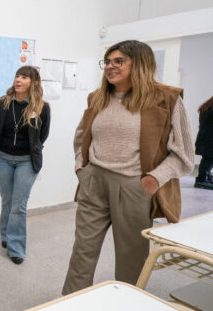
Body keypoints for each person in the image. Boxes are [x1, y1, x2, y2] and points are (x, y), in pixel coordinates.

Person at [62, 40, 195, 294]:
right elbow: (81, 137)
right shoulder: (98, 97)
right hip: (93, 182)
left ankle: (127, 305)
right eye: (107, 62)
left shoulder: (167, 99)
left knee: (131, 256)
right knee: (82, 251)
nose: (110, 67)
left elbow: (185, 154)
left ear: (140, 64)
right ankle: (70, 302)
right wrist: (82, 167)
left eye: (118, 61)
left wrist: (154, 179)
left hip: (135, 187)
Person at [0, 66, 51, 264]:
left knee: (19, 205)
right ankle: (6, 237)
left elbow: (42, 136)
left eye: (23, 77)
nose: (18, 80)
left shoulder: (42, 107)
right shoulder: (3, 103)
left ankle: (16, 249)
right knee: (7, 200)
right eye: (17, 76)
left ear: (33, 83)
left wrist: (31, 150)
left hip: (26, 161)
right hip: (2, 159)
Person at [194, 95, 213, 189]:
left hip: (205, 138)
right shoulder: (211, 109)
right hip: (209, 139)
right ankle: (201, 179)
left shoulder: (207, 106)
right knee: (208, 159)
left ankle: (206, 176)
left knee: (208, 159)